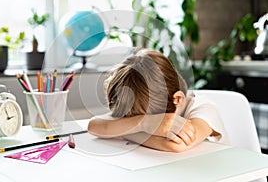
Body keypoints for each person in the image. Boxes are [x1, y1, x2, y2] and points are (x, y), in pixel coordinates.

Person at [88, 48, 229, 152]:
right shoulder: (142, 109)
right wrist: (144, 122)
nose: (140, 120)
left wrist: (125, 131)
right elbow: (94, 126)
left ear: (177, 99)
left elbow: (178, 145)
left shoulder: (204, 109)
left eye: (149, 117)